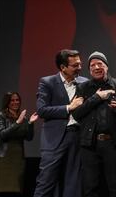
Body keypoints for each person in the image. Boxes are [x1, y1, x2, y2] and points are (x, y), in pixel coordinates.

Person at [72, 51, 116, 197]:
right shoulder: (83, 88)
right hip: (90, 145)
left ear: (106, 66)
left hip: (113, 144)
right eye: (92, 65)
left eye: (100, 64)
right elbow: (76, 114)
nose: (96, 67)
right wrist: (96, 97)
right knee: (90, 187)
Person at [33, 49, 88, 197]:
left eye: (80, 64)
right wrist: (68, 107)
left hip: (77, 136)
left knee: (74, 182)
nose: (79, 67)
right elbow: (42, 110)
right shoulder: (47, 82)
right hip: (55, 138)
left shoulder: (85, 83)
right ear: (63, 67)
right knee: (46, 180)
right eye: (75, 65)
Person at [0, 91, 39, 197]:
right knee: (1, 191)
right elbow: (3, 135)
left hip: (18, 159)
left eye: (17, 100)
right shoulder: (2, 115)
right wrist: (18, 122)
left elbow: (29, 138)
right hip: (4, 158)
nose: (15, 102)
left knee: (16, 191)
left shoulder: (23, 118)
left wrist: (30, 123)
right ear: (7, 102)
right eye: (12, 100)